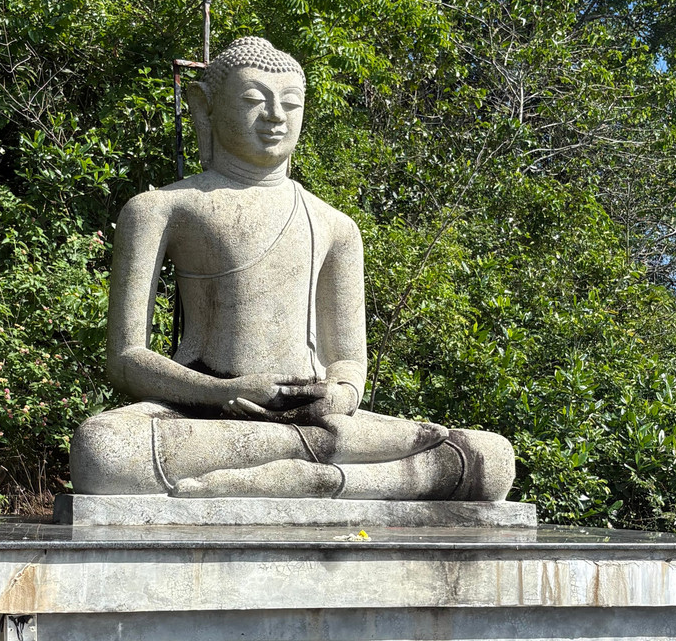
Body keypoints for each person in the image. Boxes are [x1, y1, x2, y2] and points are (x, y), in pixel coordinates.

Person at [70, 37, 514, 501]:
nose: (275, 116)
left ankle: (311, 477)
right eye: (252, 100)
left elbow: (347, 360)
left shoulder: (334, 225)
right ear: (205, 108)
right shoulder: (161, 208)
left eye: (290, 103)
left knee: (493, 458)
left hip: (315, 413)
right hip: (203, 412)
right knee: (103, 449)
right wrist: (220, 391)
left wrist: (341, 393)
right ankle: (332, 467)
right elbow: (125, 360)